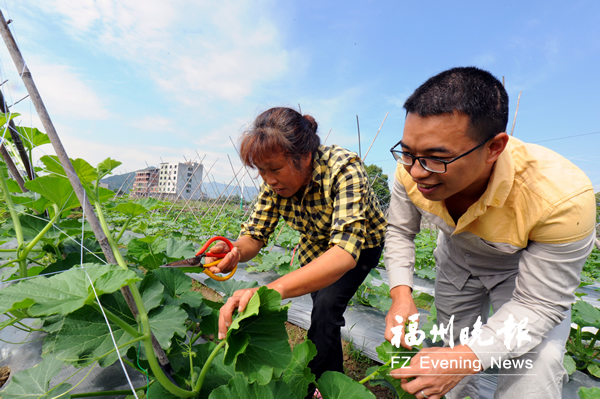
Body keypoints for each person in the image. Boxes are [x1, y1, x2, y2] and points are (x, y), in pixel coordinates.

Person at [384, 67, 596, 399]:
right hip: (456, 261)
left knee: (535, 366)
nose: (415, 171)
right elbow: (399, 230)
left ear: (494, 148)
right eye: (408, 152)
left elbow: (538, 304)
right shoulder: (410, 170)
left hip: (519, 273)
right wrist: (401, 295)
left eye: (436, 158)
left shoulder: (560, 198)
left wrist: (467, 359)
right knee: (453, 345)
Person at [211, 107, 387, 393]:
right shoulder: (273, 184)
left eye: (275, 170)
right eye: (262, 171)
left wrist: (269, 291)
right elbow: (254, 235)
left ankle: (322, 386)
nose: (268, 179)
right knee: (322, 309)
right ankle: (331, 378)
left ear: (304, 157)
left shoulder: (344, 168)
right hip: (315, 246)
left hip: (359, 245)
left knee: (327, 307)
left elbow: (343, 253)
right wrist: (235, 251)